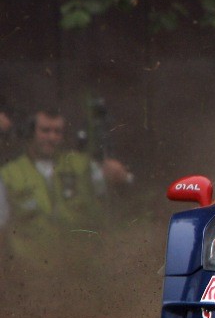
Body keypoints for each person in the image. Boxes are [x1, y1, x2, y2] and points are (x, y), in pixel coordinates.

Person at [0, 108, 132, 264]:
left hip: (82, 266)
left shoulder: (82, 165)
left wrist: (121, 177)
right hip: (31, 269)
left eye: (57, 132)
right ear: (30, 133)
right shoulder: (9, 174)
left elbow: (123, 192)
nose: (52, 137)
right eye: (45, 131)